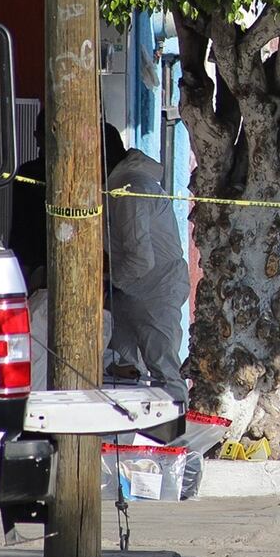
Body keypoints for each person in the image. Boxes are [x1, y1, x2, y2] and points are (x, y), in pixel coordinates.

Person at [103, 123, 190, 402]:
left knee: (164, 371)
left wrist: (106, 282)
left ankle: (174, 436)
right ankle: (135, 439)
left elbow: (141, 260)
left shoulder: (130, 189)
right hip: (131, 292)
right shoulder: (120, 186)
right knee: (122, 371)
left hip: (153, 291)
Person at [8, 110, 47, 291]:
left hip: (31, 257)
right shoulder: (27, 173)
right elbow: (21, 222)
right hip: (33, 258)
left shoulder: (27, 171)